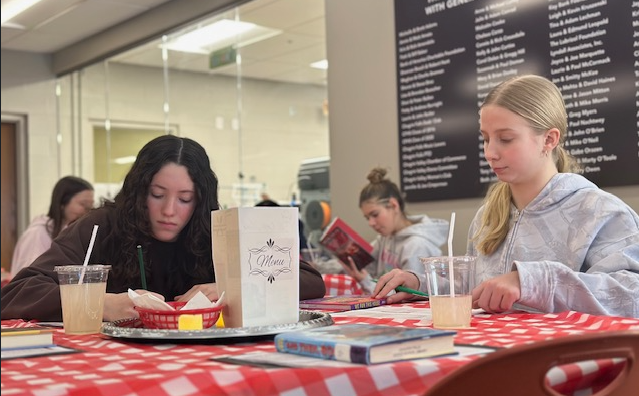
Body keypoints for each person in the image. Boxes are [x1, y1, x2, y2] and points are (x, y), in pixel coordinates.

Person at [372, 75, 639, 318]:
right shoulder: (487, 216)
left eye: (506, 139)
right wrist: (421, 284)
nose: (490, 153)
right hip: (488, 355)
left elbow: (630, 295)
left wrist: (531, 281)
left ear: (549, 139)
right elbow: (480, 288)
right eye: (486, 139)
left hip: (564, 364)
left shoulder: (600, 211)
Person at [1, 135, 325, 322]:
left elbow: (309, 279)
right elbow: (16, 293)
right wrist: (99, 303)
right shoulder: (101, 225)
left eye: (185, 199)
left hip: (208, 370)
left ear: (201, 201)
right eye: (157, 195)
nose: (169, 211)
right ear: (138, 190)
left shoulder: (218, 229)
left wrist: (231, 287)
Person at [342, 167, 449, 295]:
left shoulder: (417, 245)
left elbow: (408, 295)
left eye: (375, 215)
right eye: (367, 218)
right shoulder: (384, 238)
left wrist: (365, 281)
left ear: (394, 205)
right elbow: (367, 265)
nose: (371, 223)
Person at [10, 176, 94, 277]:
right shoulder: (38, 233)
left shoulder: (73, 233)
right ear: (62, 203)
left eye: (91, 206)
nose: (88, 210)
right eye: (83, 204)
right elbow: (28, 277)